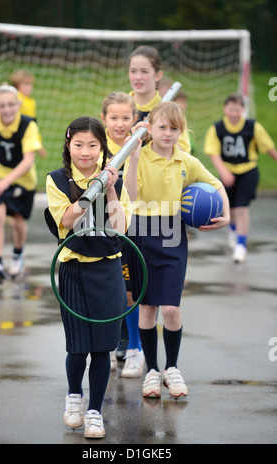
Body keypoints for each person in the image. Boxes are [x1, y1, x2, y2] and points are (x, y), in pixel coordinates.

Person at [123, 101, 230, 399]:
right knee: (147, 307)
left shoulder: (186, 161)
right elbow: (130, 197)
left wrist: (228, 215)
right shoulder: (140, 156)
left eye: (174, 128)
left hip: (172, 237)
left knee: (170, 308)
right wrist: (131, 160)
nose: (168, 133)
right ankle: (152, 372)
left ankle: (172, 367)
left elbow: (217, 184)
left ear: (181, 131)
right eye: (162, 127)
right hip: (142, 234)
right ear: (150, 129)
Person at [45, 116, 132, 439]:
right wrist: (89, 191)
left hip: (108, 270)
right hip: (73, 271)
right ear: (68, 145)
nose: (85, 152)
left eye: (92, 145)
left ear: (102, 147)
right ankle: (73, 400)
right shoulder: (56, 180)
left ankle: (95, 411)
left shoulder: (115, 181)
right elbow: (66, 219)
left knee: (102, 348)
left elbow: (121, 227)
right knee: (78, 347)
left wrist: (108, 189)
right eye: (78, 144)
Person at [0, 84, 41, 284]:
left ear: (18, 104)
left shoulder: (28, 125)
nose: (7, 109)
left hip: (23, 180)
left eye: (11, 104)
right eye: (2, 106)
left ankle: (17, 255)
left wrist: (6, 182)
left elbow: (28, 161)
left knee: (18, 222)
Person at [100, 91, 145, 378]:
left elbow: (134, 192)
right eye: (113, 117)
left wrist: (136, 156)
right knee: (104, 291)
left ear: (134, 119)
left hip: (127, 226)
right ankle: (105, 348)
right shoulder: (96, 146)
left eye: (125, 117)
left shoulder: (137, 145)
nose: (119, 123)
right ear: (103, 118)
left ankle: (135, 350)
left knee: (129, 292)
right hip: (98, 228)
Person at [204, 93, 277, 263]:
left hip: (248, 171)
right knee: (230, 208)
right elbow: (213, 153)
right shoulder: (217, 128)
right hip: (227, 171)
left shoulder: (252, 126)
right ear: (225, 109)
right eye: (231, 109)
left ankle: (241, 245)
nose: (234, 113)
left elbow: (268, 147)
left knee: (241, 208)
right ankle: (234, 230)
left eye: (238, 110)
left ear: (243, 110)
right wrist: (223, 172)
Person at [128, 45, 191, 154]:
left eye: (144, 71)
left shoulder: (170, 110)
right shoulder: (119, 107)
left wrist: (159, 132)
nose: (138, 77)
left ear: (158, 75)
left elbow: (185, 156)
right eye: (133, 71)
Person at [10, 69, 46, 158]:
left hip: (26, 138)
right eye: (26, 84)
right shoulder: (15, 97)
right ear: (17, 86)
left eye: (30, 84)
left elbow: (33, 123)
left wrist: (38, 142)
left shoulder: (31, 102)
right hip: (12, 136)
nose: (29, 87)